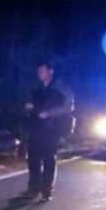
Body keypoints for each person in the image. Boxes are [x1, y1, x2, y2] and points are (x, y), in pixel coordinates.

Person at [22, 62, 75, 202]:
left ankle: (46, 191)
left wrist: (49, 113)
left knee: (48, 159)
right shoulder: (36, 88)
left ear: (50, 71)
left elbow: (68, 107)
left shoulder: (62, 88)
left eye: (42, 71)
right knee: (33, 159)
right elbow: (28, 105)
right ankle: (33, 189)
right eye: (38, 71)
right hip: (35, 127)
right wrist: (28, 108)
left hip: (52, 128)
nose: (39, 73)